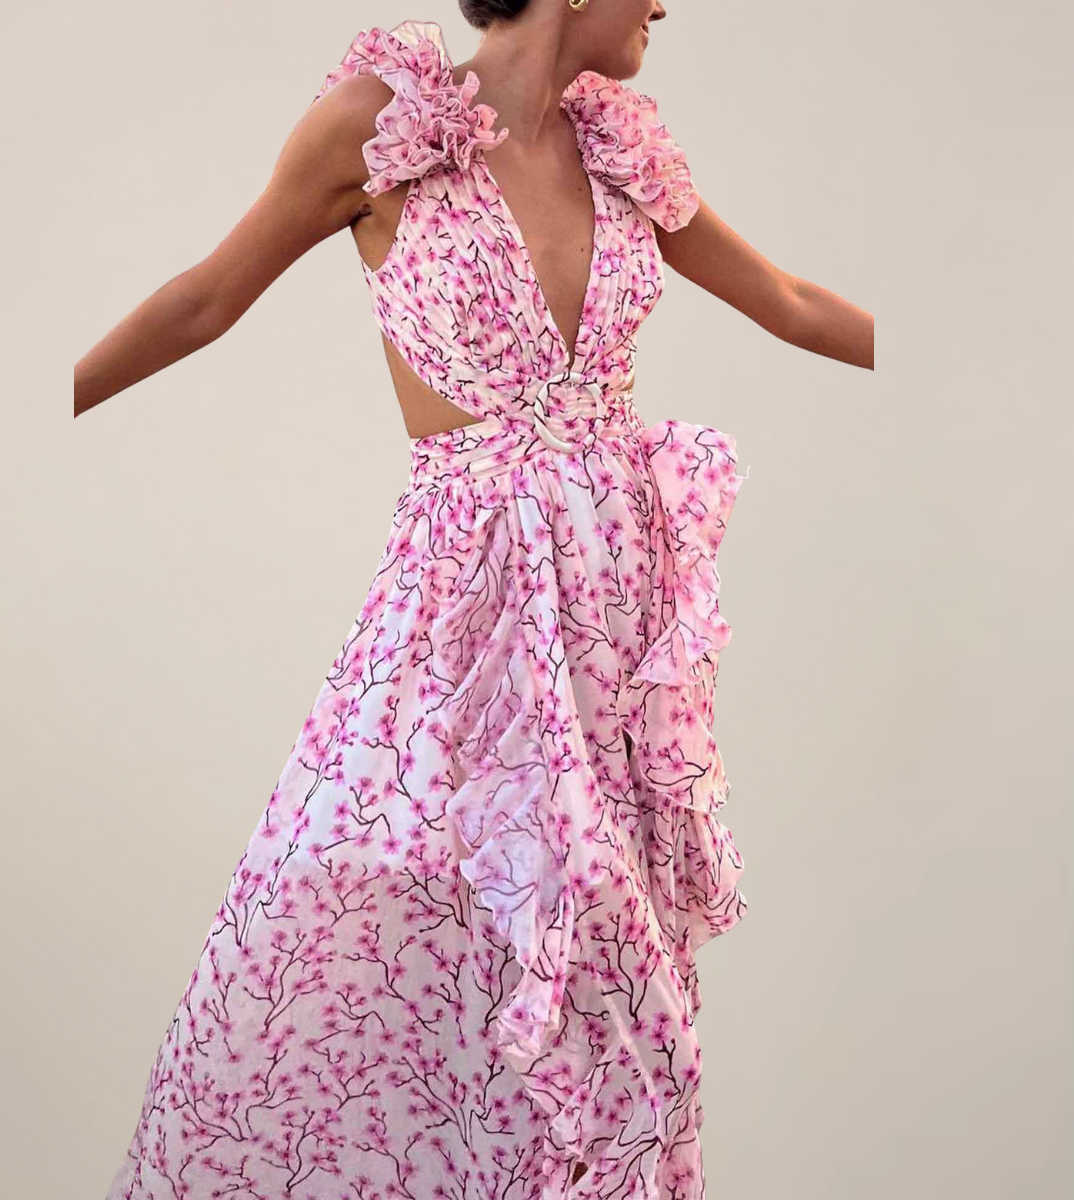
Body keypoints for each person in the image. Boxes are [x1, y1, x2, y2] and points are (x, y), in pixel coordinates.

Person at [80, 5, 872, 1198]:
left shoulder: (618, 147)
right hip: (466, 607)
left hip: (612, 633)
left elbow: (794, 302)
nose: (666, 5)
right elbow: (205, 299)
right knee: (381, 928)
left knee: (603, 982)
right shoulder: (380, 123)